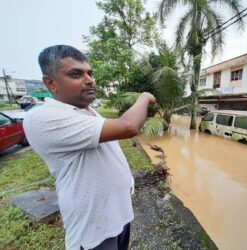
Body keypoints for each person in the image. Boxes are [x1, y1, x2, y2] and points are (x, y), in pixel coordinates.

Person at [23, 45, 156, 250]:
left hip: (117, 215)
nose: (89, 80)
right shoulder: (42, 118)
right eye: (76, 74)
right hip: (94, 230)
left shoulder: (85, 110)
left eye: (90, 73)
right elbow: (128, 127)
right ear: (51, 83)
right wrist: (144, 97)